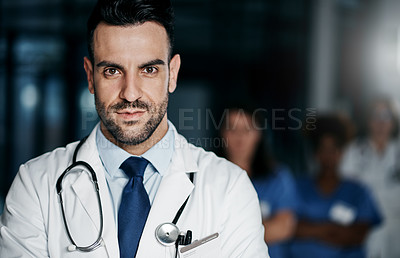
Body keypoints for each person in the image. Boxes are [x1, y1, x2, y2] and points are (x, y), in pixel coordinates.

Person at [0, 0, 268, 257]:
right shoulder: (36, 185)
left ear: (172, 74)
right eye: (112, 71)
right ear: (90, 76)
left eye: (148, 69)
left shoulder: (230, 188)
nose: (130, 94)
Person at [289, 114, 381, 258]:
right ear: (315, 153)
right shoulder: (296, 187)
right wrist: (332, 229)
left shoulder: (359, 191)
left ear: (343, 152)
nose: (328, 155)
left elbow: (357, 235)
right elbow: (290, 228)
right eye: (323, 149)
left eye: (334, 149)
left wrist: (310, 228)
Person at [219, 105, 298, 258]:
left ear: (259, 135)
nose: (240, 138)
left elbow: (283, 227)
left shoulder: (277, 177)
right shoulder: (208, 175)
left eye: (247, 130)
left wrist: (224, 235)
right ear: (222, 133)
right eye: (233, 130)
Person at [340, 98, 400, 258]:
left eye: (385, 116)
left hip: (395, 232)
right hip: (362, 231)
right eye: (376, 116)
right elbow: (344, 191)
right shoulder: (353, 152)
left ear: (393, 121)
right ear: (368, 121)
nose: (381, 122)